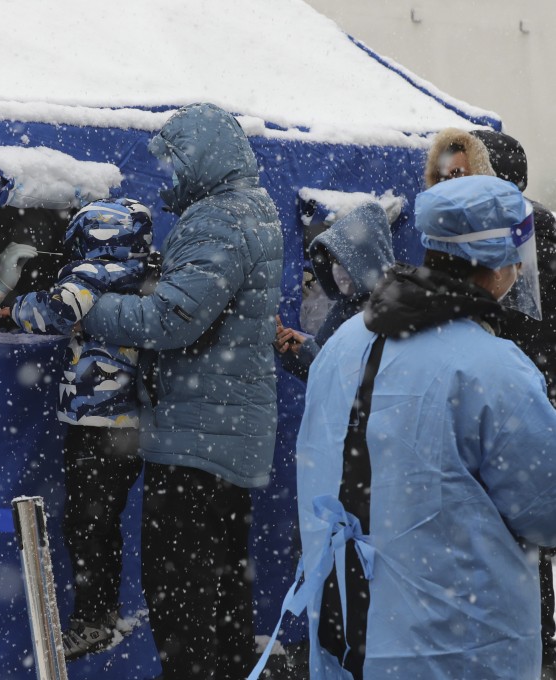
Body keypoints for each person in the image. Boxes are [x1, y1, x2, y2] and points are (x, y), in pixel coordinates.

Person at [295, 175, 556, 679]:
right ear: (500, 261)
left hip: (347, 636)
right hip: (454, 647)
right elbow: (547, 507)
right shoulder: (492, 367)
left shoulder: (347, 340)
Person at [81, 103, 284, 678]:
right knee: (223, 607)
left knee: (183, 610)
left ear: (198, 157)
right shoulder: (256, 208)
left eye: (169, 161)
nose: (163, 177)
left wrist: (90, 308)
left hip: (197, 444)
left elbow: (172, 320)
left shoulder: (217, 218)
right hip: (227, 438)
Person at [426, 126, 556, 673]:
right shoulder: (459, 229)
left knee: (519, 532)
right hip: (489, 384)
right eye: (448, 172)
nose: (453, 181)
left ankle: (538, 642)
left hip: (516, 385)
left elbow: (533, 320)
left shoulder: (527, 231)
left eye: (464, 171)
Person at [6, 197, 157, 660]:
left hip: (98, 422)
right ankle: (105, 614)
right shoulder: (148, 272)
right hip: (132, 423)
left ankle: (95, 619)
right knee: (103, 522)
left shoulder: (93, 274)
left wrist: (14, 305)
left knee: (86, 523)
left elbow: (53, 313)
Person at [275, 202, 395, 381]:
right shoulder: (345, 306)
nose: (337, 270)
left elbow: (354, 382)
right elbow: (319, 375)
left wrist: (309, 351)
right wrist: (291, 351)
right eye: (333, 262)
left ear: (368, 259)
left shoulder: (390, 311)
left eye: (345, 261)